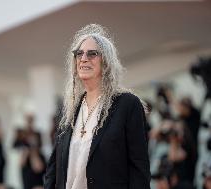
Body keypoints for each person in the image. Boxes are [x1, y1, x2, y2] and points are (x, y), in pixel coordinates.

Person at [44, 24, 150, 189]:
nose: (84, 58)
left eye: (92, 54)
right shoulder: (69, 110)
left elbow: (139, 169)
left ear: (106, 62)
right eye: (79, 53)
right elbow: (53, 169)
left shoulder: (127, 104)